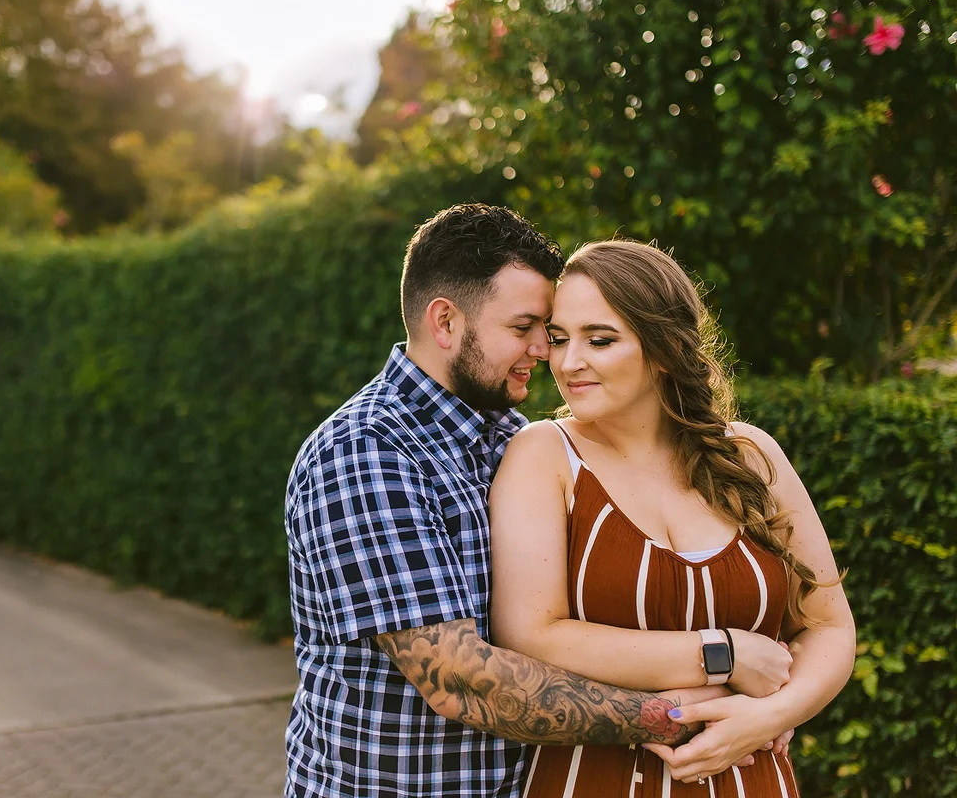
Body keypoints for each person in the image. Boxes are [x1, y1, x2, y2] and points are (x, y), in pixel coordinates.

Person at [284, 206, 740, 798]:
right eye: (524, 328)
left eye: (544, 331)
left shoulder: (515, 438)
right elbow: (457, 678)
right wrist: (679, 714)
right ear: (445, 322)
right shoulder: (364, 452)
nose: (544, 352)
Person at [488, 240, 856, 796]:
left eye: (600, 339)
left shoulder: (750, 457)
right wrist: (722, 654)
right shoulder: (543, 454)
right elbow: (530, 633)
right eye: (560, 339)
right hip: (594, 780)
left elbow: (828, 624)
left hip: (750, 777)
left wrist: (770, 716)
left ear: (662, 350)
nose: (567, 362)